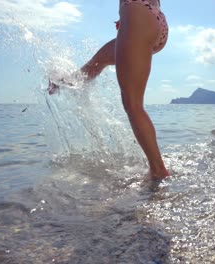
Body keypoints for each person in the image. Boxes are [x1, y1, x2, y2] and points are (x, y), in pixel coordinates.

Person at [48, 0, 170, 180]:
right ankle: (66, 82)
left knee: (133, 105)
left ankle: (158, 170)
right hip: (151, 18)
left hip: (138, 15)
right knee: (97, 63)